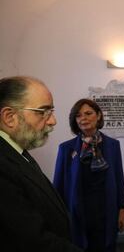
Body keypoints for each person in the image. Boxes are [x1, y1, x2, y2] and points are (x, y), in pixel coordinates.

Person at [0, 76, 82, 252]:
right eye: (43, 111)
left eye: (51, 111)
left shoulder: (17, 151)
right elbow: (31, 241)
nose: (53, 121)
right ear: (9, 117)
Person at [53, 99, 124, 252]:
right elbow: (58, 185)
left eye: (88, 113)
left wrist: (121, 210)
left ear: (98, 116)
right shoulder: (66, 149)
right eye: (78, 115)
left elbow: (119, 179)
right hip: (78, 213)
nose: (83, 118)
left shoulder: (113, 145)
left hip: (106, 211)